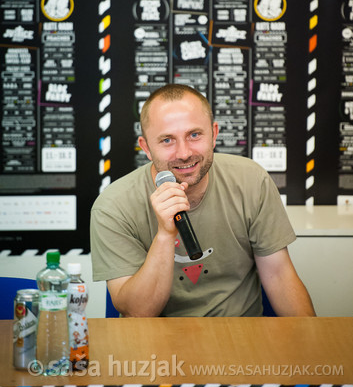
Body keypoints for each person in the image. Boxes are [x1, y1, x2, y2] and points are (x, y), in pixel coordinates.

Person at [90, 84, 315, 317]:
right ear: (146, 147)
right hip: (156, 344)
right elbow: (137, 312)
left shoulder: (251, 181)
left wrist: (313, 345)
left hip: (242, 338)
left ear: (214, 134)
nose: (184, 153)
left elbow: (279, 277)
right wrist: (166, 235)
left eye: (194, 135)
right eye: (167, 140)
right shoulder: (113, 207)